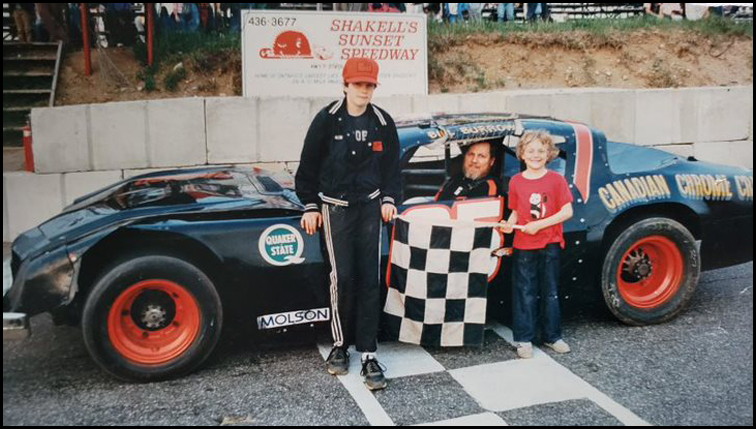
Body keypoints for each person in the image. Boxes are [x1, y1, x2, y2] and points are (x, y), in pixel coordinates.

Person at [295, 57, 401, 391]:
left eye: (369, 85)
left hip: (370, 208)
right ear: (345, 85)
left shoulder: (383, 121)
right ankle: (340, 346)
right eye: (358, 84)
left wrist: (388, 199)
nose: (364, 91)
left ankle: (369, 352)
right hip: (335, 208)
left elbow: (392, 170)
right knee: (341, 278)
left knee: (369, 279)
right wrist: (310, 205)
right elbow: (307, 168)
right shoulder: (326, 120)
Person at [500, 131, 573, 359]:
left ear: (549, 154)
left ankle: (553, 336)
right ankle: (524, 338)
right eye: (530, 150)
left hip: (550, 243)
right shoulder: (516, 181)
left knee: (550, 291)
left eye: (541, 151)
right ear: (521, 154)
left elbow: (567, 211)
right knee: (525, 292)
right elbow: (515, 212)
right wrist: (509, 226)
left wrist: (540, 225)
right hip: (524, 246)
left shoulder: (556, 180)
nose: (535, 155)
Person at [435, 140, 500, 201]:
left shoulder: (488, 186)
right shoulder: (455, 179)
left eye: (481, 156)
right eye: (471, 154)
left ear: (491, 161)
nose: (474, 160)